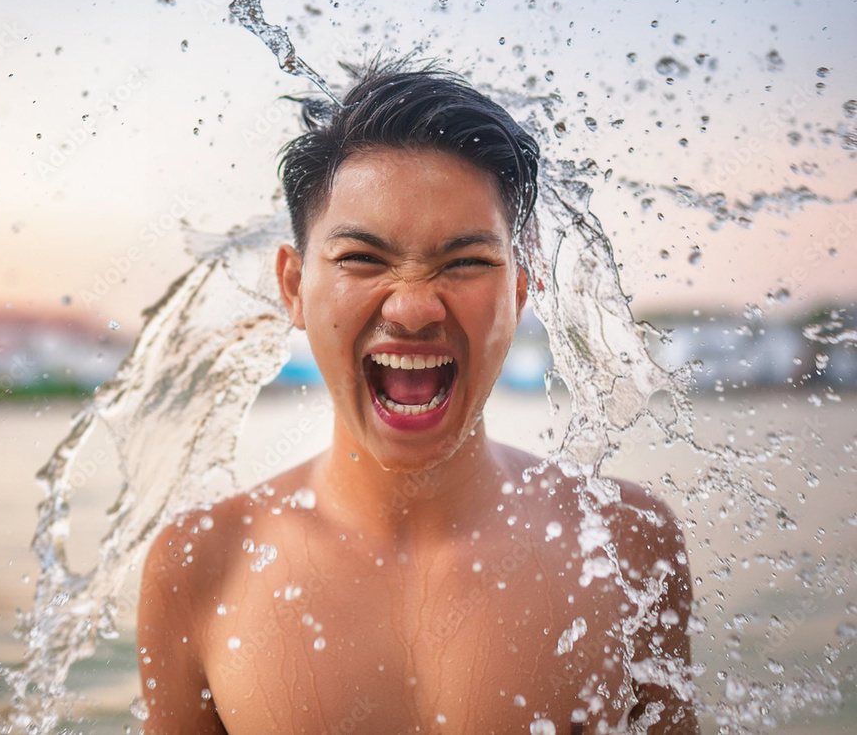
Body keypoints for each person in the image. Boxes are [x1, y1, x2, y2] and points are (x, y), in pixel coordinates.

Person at [137, 57, 698, 734]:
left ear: (520, 291)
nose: (411, 308)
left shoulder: (626, 541)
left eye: (464, 263)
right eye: (362, 259)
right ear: (293, 286)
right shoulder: (201, 564)